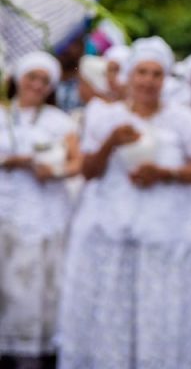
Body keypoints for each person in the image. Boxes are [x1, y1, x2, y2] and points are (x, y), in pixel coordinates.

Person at [58, 36, 191, 369]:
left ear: (165, 79)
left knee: (156, 315)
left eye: (156, 74)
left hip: (163, 239)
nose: (148, 80)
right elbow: (88, 170)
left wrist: (164, 173)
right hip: (110, 236)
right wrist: (110, 142)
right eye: (142, 72)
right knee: (110, 316)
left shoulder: (183, 121)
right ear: (128, 75)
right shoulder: (105, 117)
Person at [0, 51, 81, 368]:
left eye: (43, 80)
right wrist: (11, 161)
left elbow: (76, 163)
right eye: (31, 77)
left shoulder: (58, 122)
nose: (36, 85)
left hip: (41, 213)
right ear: (17, 79)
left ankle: (28, 350)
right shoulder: (3, 115)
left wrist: (52, 171)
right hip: (5, 206)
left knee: (29, 283)